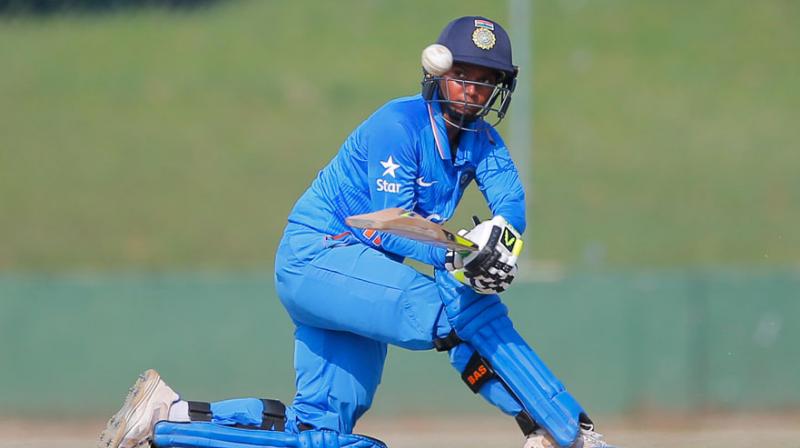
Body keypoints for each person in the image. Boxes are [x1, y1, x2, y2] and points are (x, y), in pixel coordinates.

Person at [98, 16, 616, 448]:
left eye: (487, 79)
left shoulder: (483, 140)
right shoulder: (399, 125)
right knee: (459, 310)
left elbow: (511, 203)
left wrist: (501, 238)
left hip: (359, 276)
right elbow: (388, 230)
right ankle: (566, 430)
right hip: (321, 255)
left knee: (323, 434)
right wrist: (461, 258)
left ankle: (167, 419)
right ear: (440, 71)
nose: (474, 89)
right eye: (465, 74)